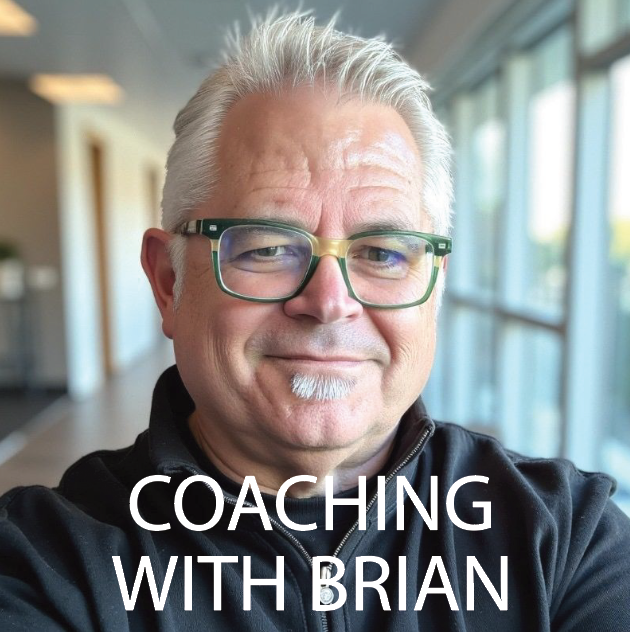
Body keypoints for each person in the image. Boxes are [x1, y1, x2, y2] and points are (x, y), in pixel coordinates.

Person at [1, 10, 629, 632]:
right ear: (170, 282)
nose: (329, 302)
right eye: (268, 247)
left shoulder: (566, 541)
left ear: (434, 288)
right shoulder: (44, 564)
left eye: (383, 253)